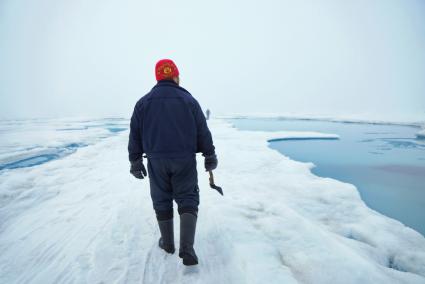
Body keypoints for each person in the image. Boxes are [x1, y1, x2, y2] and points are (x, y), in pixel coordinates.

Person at [128, 59, 218, 266]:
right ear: (175, 76)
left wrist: (135, 160)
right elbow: (203, 131)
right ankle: (187, 248)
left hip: (156, 161)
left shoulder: (143, 103)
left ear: (158, 77)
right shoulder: (189, 100)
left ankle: (168, 243)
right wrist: (209, 155)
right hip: (184, 160)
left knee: (161, 199)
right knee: (187, 198)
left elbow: (135, 134)